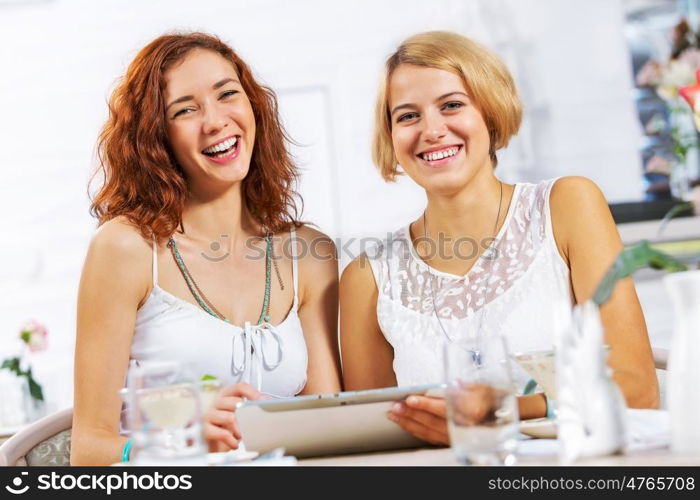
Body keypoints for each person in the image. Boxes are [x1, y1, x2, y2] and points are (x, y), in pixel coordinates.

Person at [339, 31, 659, 446]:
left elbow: (638, 390)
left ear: (490, 112)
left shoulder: (567, 206)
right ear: (392, 137)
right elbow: (373, 437)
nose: (432, 130)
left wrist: (498, 410)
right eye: (407, 116)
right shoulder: (367, 276)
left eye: (452, 105)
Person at [71, 32, 341, 465]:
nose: (215, 121)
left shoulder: (308, 253)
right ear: (156, 137)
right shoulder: (126, 249)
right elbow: (88, 450)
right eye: (185, 110)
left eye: (227, 94)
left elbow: (327, 430)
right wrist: (174, 442)